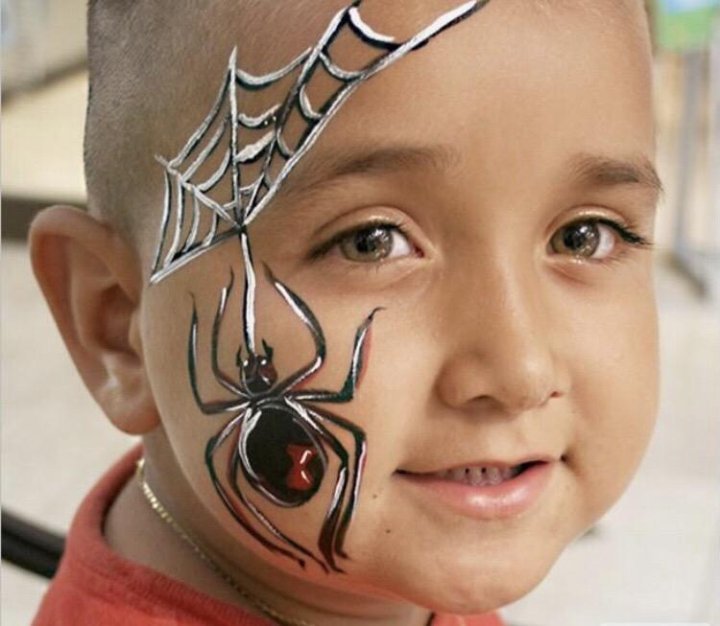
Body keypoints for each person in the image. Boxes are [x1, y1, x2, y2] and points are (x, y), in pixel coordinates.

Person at [29, 0, 662, 624]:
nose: (518, 371)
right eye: (371, 242)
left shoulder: (382, 578)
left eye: (585, 236)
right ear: (119, 329)